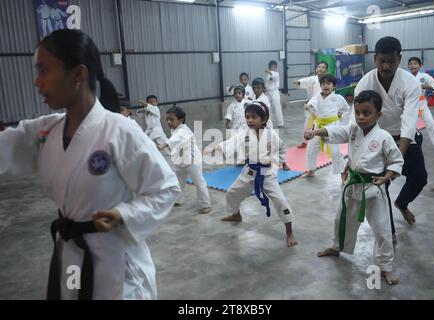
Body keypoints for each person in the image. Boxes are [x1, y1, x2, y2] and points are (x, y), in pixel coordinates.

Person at [0, 29, 180, 299]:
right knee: (73, 292)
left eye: (44, 70)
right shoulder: (45, 132)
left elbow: (165, 188)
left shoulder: (120, 131)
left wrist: (125, 214)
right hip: (72, 252)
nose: (37, 82)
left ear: (78, 74)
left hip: (116, 262)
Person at [307, 90, 404, 285]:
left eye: (366, 113)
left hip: (373, 188)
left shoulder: (384, 137)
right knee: (342, 220)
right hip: (351, 185)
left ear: (379, 115)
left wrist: (386, 177)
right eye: (358, 112)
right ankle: (337, 247)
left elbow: (396, 160)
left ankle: (385, 267)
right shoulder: (353, 130)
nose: (361, 117)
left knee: (382, 230)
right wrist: (316, 131)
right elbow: (336, 132)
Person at [353, 37, 425, 238]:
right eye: (381, 61)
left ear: (399, 59)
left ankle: (402, 203)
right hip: (379, 138)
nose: (386, 66)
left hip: (405, 138)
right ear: (375, 58)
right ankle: (389, 232)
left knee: (420, 178)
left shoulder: (410, 83)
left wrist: (396, 162)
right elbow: (358, 121)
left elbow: (409, 122)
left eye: (391, 61)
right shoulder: (365, 83)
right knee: (380, 185)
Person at [207, 102, 297, 247]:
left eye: (254, 117)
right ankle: (236, 215)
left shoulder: (271, 135)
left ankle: (289, 231)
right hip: (249, 171)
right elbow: (232, 142)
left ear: (264, 118)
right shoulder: (245, 134)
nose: (249, 120)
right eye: (247, 117)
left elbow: (281, 151)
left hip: (267, 173)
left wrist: (275, 161)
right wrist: (216, 147)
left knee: (281, 201)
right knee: (232, 192)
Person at [158, 106, 212, 214]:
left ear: (180, 120)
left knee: (199, 182)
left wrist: (164, 144)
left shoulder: (183, 130)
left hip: (192, 160)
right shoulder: (174, 129)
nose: (168, 122)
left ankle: (205, 204)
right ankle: (179, 199)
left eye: (171, 119)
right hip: (180, 161)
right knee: (179, 182)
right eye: (167, 119)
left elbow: (177, 138)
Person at [301, 74, 348, 178]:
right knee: (311, 148)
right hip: (318, 126)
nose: (325, 86)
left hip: (332, 127)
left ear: (334, 86)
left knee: (335, 152)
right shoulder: (317, 97)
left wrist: (341, 115)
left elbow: (346, 109)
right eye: (323, 84)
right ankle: (311, 170)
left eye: (328, 83)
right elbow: (312, 104)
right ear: (320, 86)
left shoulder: (338, 98)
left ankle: (342, 174)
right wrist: (308, 106)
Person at [407, 57, 434, 154]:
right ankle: (409, 144)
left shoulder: (424, 76)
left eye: (415, 63)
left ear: (419, 66)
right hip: (410, 103)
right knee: (409, 125)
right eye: (411, 63)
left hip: (422, 103)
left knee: (431, 123)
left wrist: (425, 86)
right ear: (408, 66)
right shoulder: (405, 76)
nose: (413, 65)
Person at [293, 61, 329, 148]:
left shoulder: (328, 80)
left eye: (323, 67)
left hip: (323, 105)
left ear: (326, 70)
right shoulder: (313, 79)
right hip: (312, 105)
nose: (320, 68)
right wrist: (299, 82)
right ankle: (305, 141)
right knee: (307, 123)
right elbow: (306, 81)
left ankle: (324, 142)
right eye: (319, 66)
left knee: (322, 125)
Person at [265, 60, 284, 128]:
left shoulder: (276, 74)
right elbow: (266, 84)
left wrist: (270, 72)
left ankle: (280, 123)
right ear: (269, 67)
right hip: (268, 93)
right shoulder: (268, 75)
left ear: (276, 68)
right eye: (271, 67)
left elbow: (274, 77)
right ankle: (268, 122)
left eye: (274, 67)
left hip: (274, 92)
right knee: (268, 108)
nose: (273, 68)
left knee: (277, 108)